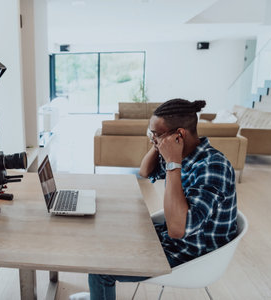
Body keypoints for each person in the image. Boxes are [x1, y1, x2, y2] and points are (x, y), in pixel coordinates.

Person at [85, 99, 238, 300]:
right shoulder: (188, 154)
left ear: (179, 135)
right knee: (112, 231)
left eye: (156, 134)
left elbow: (177, 230)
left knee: (99, 269)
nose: (152, 138)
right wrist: (158, 145)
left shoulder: (213, 167)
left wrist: (173, 163)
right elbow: (145, 171)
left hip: (192, 253)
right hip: (173, 240)